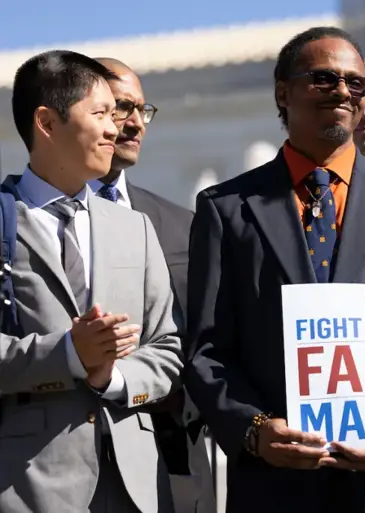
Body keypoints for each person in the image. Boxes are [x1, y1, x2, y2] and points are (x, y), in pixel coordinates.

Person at [184, 26, 365, 513]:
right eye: (323, 79)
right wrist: (254, 430)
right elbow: (207, 349)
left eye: (355, 83)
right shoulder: (225, 208)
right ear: (282, 92)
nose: (342, 91)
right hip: (276, 486)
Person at [3, 50, 183, 512]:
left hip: (136, 487)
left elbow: (167, 346)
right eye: (101, 113)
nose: (115, 128)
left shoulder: (135, 228)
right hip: (27, 486)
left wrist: (112, 377)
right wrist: (66, 354)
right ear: (47, 122)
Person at [89, 57, 215, 513]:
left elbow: (206, 337)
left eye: (144, 109)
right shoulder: (21, 219)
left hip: (170, 458)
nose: (136, 123)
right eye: (122, 107)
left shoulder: (183, 226)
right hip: (52, 458)